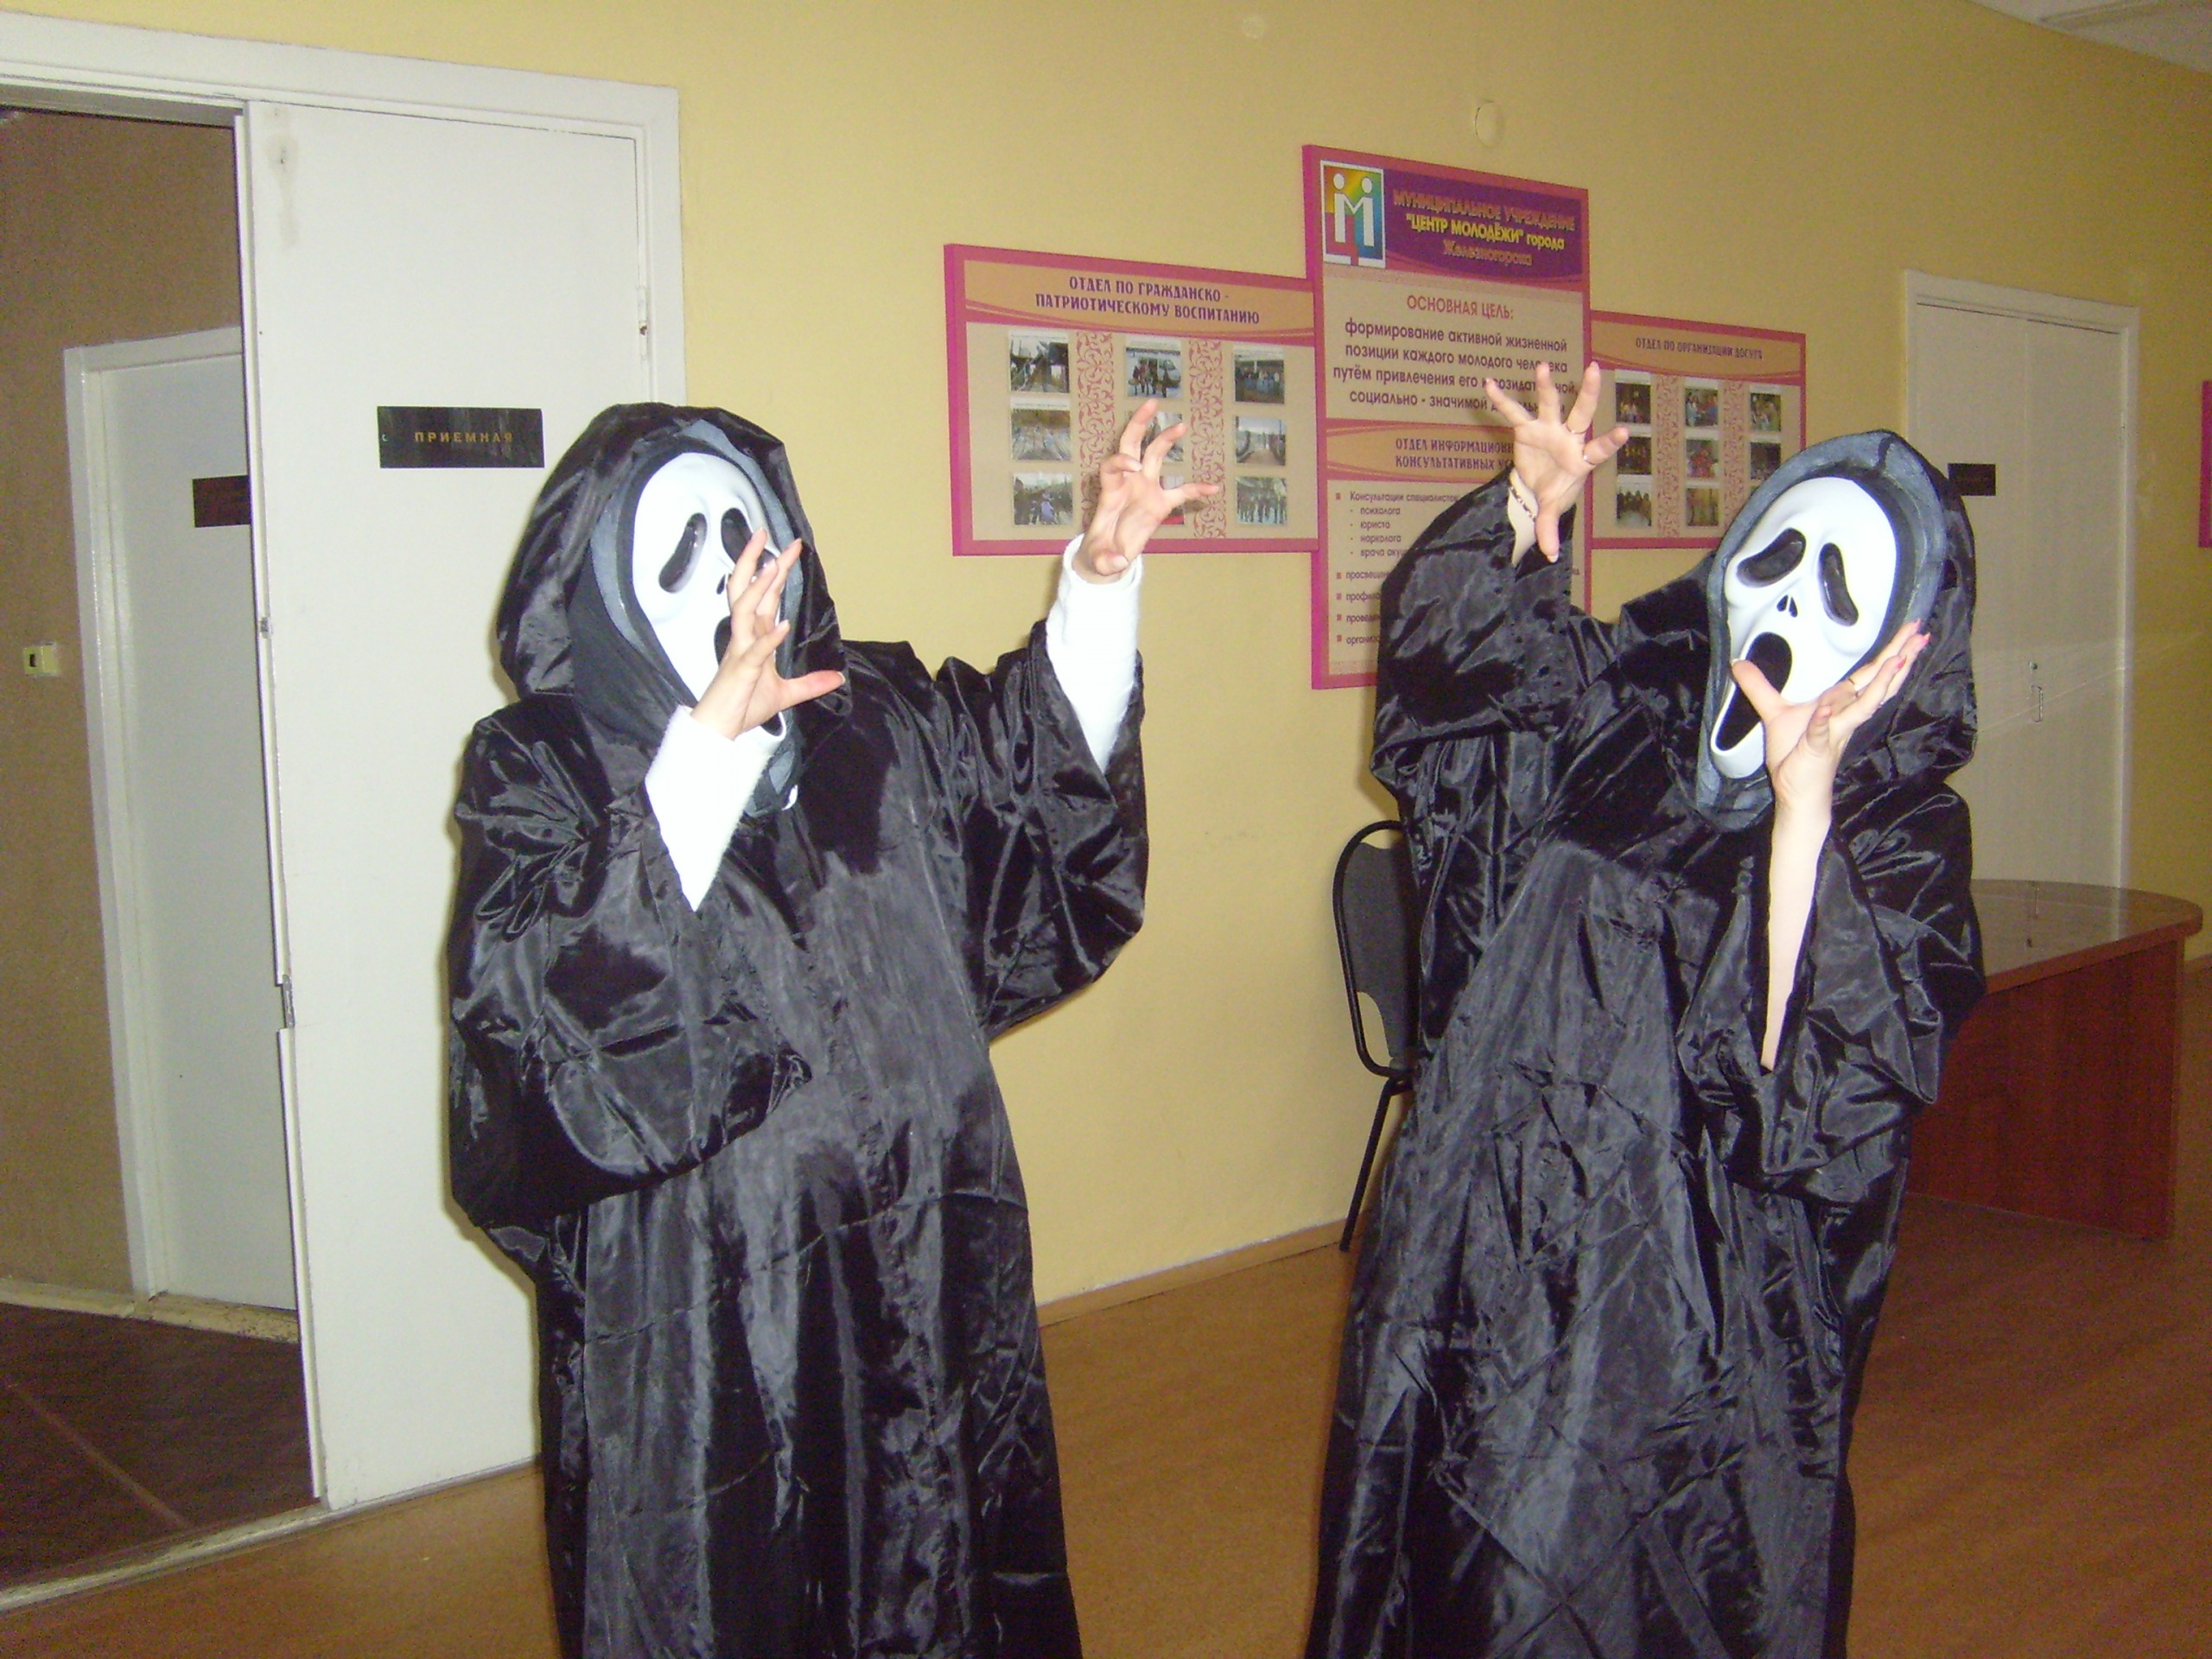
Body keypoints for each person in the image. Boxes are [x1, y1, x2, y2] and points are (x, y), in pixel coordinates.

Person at [447, 399, 1213, 1659]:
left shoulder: (875, 718)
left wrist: (1099, 580)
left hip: (933, 1239)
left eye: (744, 537)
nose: (732, 580)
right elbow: (537, 1018)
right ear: (609, 588)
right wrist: (704, 754)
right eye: (682, 554)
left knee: (949, 1556)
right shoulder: (547, 771)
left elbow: (1032, 790)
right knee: (752, 1580)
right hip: (719, 1313)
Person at [1306, 365, 1984, 1657]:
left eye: (1843, 587)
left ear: (1903, 642)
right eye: (1779, 554)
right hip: (1484, 1237)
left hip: (1679, 1314)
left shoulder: (1899, 839)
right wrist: (1525, 509)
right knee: (1447, 1544)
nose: (1792, 599)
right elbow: (1463, 711)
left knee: (1604, 1572)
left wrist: (1803, 814)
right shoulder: (1626, 707)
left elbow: (1816, 1101)